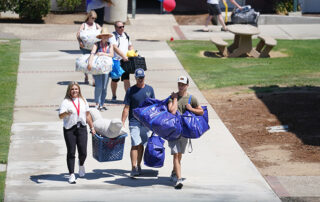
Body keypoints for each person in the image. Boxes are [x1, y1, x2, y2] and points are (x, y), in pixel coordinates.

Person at [167, 76, 204, 189]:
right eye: (179, 84)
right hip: (173, 131)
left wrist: (191, 109)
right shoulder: (172, 97)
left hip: (184, 131)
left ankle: (174, 171)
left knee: (179, 155)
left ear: (187, 85)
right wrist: (174, 99)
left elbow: (201, 111)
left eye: (183, 84)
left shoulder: (192, 99)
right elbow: (172, 111)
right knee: (176, 154)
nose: (181, 86)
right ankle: (178, 179)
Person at [59, 82, 96, 184]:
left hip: (82, 128)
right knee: (71, 152)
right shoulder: (66, 102)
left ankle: (81, 164)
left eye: (76, 89)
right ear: (69, 91)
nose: (74, 91)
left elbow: (87, 115)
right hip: (69, 129)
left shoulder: (83, 101)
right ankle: (71, 174)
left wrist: (92, 127)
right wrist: (67, 113)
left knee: (83, 151)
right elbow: (60, 116)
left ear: (79, 90)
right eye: (72, 89)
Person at [121, 68, 155, 177]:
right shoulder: (130, 91)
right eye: (138, 77)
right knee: (135, 143)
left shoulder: (150, 89)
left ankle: (139, 165)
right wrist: (122, 122)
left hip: (145, 122)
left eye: (142, 77)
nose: (140, 79)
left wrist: (153, 122)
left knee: (141, 145)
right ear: (135, 78)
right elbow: (126, 107)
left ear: (144, 77)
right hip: (134, 121)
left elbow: (153, 107)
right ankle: (133, 167)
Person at [88, 27, 114, 111]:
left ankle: (102, 104)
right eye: (103, 35)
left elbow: (111, 55)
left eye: (106, 36)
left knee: (104, 87)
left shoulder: (110, 44)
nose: (105, 37)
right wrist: (90, 63)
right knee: (98, 86)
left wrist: (102, 53)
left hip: (106, 68)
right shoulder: (96, 44)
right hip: (98, 68)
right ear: (101, 36)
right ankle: (97, 103)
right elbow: (92, 53)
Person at [109, 21, 134, 101]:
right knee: (115, 80)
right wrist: (123, 56)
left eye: (123, 26)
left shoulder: (126, 35)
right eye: (120, 27)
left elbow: (130, 45)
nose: (122, 28)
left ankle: (128, 97)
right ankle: (114, 95)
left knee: (126, 79)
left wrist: (132, 52)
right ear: (116, 28)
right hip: (117, 61)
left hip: (126, 61)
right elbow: (115, 47)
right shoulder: (113, 36)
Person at [76, 10, 101, 85]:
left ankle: (94, 79)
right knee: (85, 62)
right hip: (85, 47)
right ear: (89, 17)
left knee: (93, 62)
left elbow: (102, 31)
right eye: (92, 18)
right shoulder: (84, 25)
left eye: (95, 18)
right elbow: (78, 34)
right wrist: (80, 42)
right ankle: (86, 76)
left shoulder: (96, 25)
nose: (93, 19)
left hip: (93, 48)